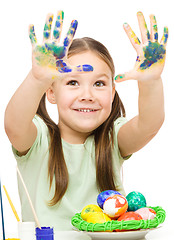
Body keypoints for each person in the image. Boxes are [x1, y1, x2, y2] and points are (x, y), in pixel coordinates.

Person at [4, 10, 168, 230]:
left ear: (112, 93)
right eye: (73, 82)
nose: (87, 95)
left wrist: (151, 82)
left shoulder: (114, 139)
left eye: (99, 84)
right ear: (51, 92)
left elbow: (149, 125)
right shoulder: (38, 140)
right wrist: (36, 79)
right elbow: (14, 126)